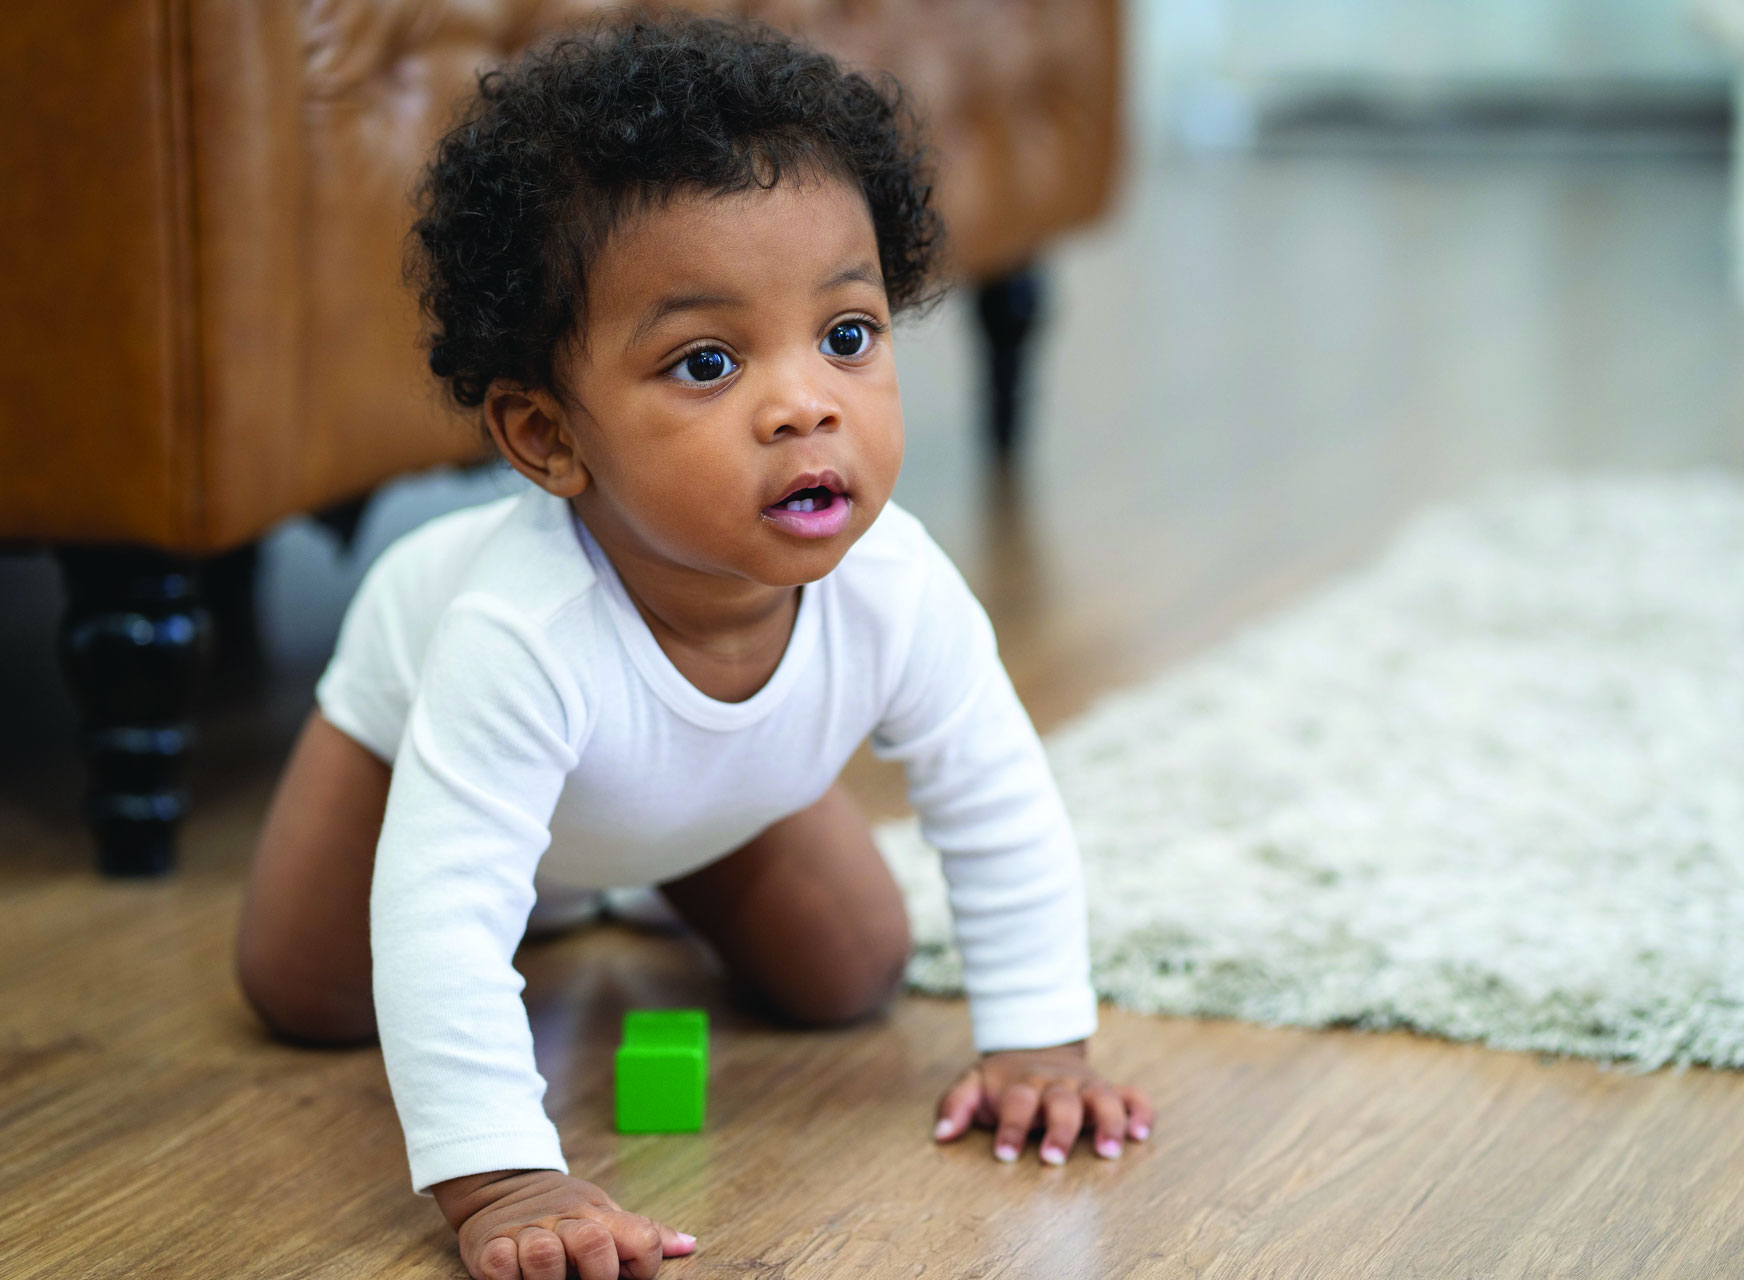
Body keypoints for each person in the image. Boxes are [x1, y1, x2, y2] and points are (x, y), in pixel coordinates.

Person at [233, 13, 1155, 1280]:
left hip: (697, 786)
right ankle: (574, 883)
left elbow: (999, 800)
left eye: (847, 334)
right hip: (415, 741)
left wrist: (1043, 1042)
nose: (805, 401)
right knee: (310, 993)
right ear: (548, 436)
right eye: (709, 361)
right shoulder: (518, 630)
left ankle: (626, 872)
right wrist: (503, 1176)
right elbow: (441, 918)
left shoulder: (899, 583)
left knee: (851, 969)